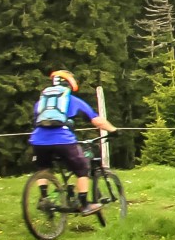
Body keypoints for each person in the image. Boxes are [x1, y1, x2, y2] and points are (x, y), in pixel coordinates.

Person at [29, 69, 115, 215]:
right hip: (63, 140)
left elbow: (36, 120)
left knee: (43, 168)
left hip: (38, 140)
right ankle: (84, 204)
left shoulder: (41, 101)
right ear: (69, 84)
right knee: (82, 168)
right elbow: (96, 120)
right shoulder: (71, 99)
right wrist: (114, 130)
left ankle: (44, 199)